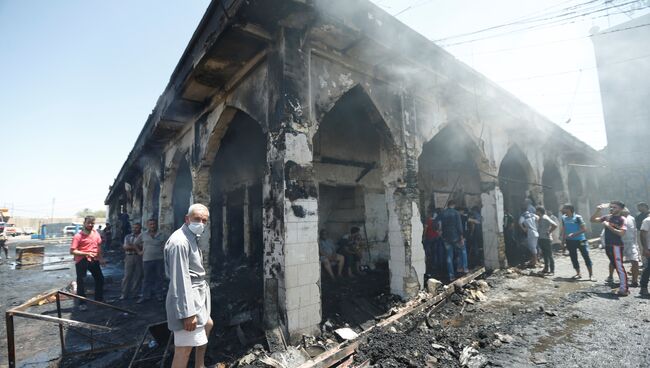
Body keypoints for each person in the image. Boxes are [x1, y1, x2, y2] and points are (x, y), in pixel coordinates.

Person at [164, 204, 213, 368]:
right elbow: (180, 279)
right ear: (187, 219)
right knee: (183, 350)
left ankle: (200, 365)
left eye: (204, 220)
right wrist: (187, 314)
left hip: (197, 294)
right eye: (197, 219)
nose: (201, 223)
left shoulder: (191, 237)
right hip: (187, 298)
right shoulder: (180, 242)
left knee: (208, 324)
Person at [591, 201, 628, 296]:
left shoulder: (622, 219)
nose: (611, 209)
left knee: (619, 266)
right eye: (611, 207)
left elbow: (621, 233)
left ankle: (624, 289)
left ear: (621, 209)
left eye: (614, 207)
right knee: (616, 265)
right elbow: (592, 220)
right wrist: (598, 210)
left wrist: (608, 226)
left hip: (616, 245)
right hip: (608, 245)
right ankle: (623, 286)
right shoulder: (607, 217)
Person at [70, 216, 105, 311]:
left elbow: (98, 246)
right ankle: (82, 303)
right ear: (84, 223)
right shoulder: (78, 236)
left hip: (94, 259)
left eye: (92, 223)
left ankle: (99, 300)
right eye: (88, 223)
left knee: (100, 279)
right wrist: (86, 253)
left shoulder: (96, 233)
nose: (90, 225)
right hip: (82, 260)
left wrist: (101, 258)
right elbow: (72, 251)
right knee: (81, 282)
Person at [561, 204, 593, 280]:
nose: (562, 210)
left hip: (581, 240)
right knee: (573, 257)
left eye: (564, 208)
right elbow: (564, 229)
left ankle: (591, 275)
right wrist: (563, 241)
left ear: (569, 209)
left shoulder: (578, 217)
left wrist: (574, 234)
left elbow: (584, 229)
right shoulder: (563, 218)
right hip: (570, 241)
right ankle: (578, 273)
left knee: (586, 256)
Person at [138, 219, 166, 303]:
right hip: (147, 260)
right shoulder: (143, 234)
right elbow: (135, 243)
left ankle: (159, 295)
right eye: (150, 224)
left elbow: (168, 243)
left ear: (156, 225)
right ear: (147, 225)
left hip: (159, 259)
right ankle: (145, 296)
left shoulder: (162, 234)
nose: (152, 226)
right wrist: (139, 251)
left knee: (159, 277)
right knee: (147, 278)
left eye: (154, 224)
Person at [439, 200, 464, 281]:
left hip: (446, 237)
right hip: (455, 237)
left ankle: (451, 275)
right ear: (454, 205)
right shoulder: (456, 213)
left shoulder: (443, 213)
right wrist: (461, 236)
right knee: (461, 251)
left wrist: (439, 231)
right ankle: (459, 268)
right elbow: (459, 226)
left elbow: (435, 223)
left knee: (449, 256)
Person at [120, 223, 143, 300]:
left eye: (137, 228)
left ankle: (135, 293)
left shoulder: (143, 236)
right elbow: (126, 247)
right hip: (129, 257)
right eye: (134, 227)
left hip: (139, 257)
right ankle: (124, 294)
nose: (135, 229)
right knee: (127, 276)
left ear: (140, 228)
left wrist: (133, 246)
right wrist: (136, 247)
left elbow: (144, 246)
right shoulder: (128, 236)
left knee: (138, 276)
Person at [621, 208, 640, 287]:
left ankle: (634, 280)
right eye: (625, 213)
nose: (626, 214)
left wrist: (635, 243)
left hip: (631, 243)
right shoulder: (616, 219)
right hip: (619, 243)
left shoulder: (631, 218)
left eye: (627, 213)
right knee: (616, 262)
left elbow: (634, 230)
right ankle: (611, 276)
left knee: (635, 261)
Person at [536, 206, 558, 275]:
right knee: (545, 254)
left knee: (549, 255)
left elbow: (555, 225)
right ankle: (546, 268)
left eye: (537, 211)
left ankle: (552, 270)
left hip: (546, 239)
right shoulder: (541, 218)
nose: (536, 212)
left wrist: (549, 232)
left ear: (539, 211)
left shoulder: (545, 217)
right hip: (541, 238)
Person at [639, 215, 650, 296]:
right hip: (649, 247)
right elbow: (642, 235)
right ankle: (643, 287)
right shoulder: (647, 221)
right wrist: (645, 248)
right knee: (648, 268)